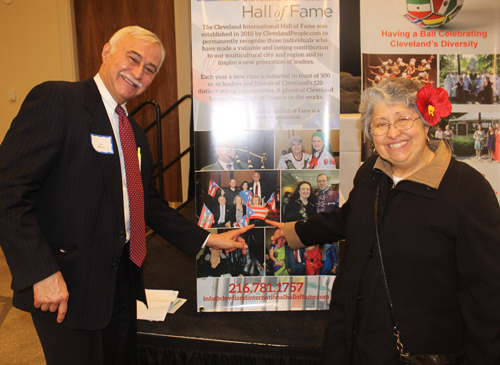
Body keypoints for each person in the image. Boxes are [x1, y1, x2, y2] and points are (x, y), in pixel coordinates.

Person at [0, 26, 252, 365]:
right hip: (66, 285)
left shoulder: (131, 130)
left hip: (121, 282)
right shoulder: (59, 100)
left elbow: (145, 202)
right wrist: (40, 272)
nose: (138, 73)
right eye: (132, 59)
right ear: (106, 52)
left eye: (149, 69)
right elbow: (8, 190)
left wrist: (208, 239)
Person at [267, 78, 500, 363]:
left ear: (426, 123)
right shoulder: (371, 173)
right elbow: (350, 217)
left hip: (416, 353)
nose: (393, 133)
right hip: (352, 342)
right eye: (381, 124)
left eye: (403, 118)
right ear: (370, 133)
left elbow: (487, 297)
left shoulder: (466, 190)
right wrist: (295, 232)